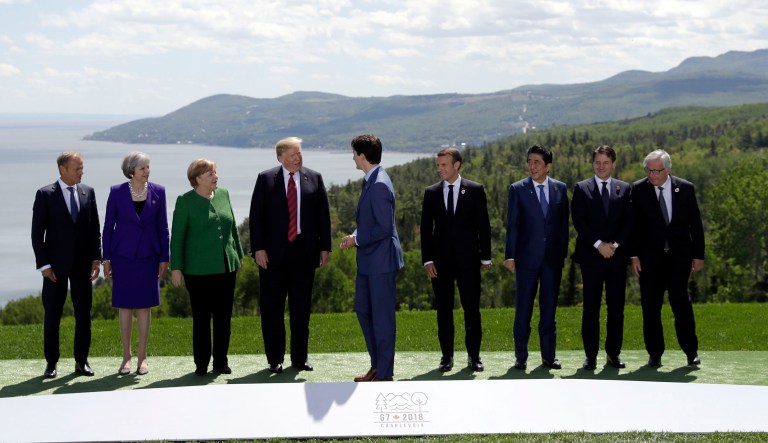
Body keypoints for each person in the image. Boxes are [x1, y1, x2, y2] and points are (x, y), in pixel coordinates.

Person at [249, 137, 332, 374]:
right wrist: (258, 249)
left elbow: (323, 217)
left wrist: (324, 247)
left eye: (299, 154)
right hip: (272, 256)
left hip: (304, 255)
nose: (298, 158)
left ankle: (300, 358)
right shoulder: (265, 179)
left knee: (301, 309)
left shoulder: (314, 178)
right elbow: (256, 218)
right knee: (272, 308)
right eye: (293, 155)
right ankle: (275, 359)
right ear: (280, 158)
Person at [630, 149, 704, 368]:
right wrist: (633, 255)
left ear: (668, 169)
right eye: (649, 170)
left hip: (679, 259)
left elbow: (696, 225)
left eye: (657, 171)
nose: (652, 175)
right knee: (650, 308)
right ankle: (655, 354)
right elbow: (633, 227)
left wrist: (698, 255)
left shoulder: (686, 188)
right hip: (649, 260)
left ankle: (691, 352)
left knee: (681, 305)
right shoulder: (639, 189)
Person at [420, 147, 491, 372]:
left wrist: (486, 257)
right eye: (438, 165)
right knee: (443, 311)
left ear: (456, 165)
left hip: (469, 262)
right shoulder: (431, 193)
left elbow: (484, 227)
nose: (439, 169)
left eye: (444, 165)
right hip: (440, 264)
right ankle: (446, 357)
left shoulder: (475, 190)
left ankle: (474, 357)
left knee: (472, 311)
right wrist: (427, 260)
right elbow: (425, 230)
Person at [170, 159, 245, 375]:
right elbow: (178, 238)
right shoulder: (185, 201)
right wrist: (177, 268)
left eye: (215, 172)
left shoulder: (223, 194)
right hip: (198, 271)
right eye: (210, 174)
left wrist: (238, 255)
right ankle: (201, 363)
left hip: (226, 267)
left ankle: (220, 362)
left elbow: (232, 230)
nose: (215, 177)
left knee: (224, 318)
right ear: (197, 179)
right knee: (202, 319)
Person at [31, 151, 102, 378]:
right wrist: (44, 266)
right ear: (63, 169)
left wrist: (96, 259)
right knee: (52, 315)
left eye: (82, 168)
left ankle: (82, 362)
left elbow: (94, 230)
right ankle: (51, 364)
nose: (82, 172)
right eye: (77, 168)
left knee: (84, 315)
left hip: (82, 266)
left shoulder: (88, 192)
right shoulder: (44, 195)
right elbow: (36, 235)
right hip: (54, 268)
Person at [340, 134, 404, 382]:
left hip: (381, 263)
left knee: (382, 320)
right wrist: (355, 234)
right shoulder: (372, 179)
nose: (353, 157)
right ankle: (377, 366)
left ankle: (384, 373)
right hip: (369, 261)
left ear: (362, 156)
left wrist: (357, 240)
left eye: (354, 153)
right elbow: (370, 223)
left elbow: (384, 228)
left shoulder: (378, 185)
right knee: (364, 310)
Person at [102, 151, 170, 376]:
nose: (147, 171)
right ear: (131, 170)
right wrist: (107, 258)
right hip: (123, 257)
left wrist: (164, 257)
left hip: (149, 257)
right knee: (125, 306)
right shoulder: (116, 192)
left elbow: (163, 228)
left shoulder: (159, 191)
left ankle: (143, 358)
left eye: (148, 167)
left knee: (144, 307)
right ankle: (126, 358)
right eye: (143, 168)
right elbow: (108, 227)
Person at [504, 144, 569, 370]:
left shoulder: (561, 189)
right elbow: (512, 226)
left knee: (549, 310)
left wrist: (562, 255)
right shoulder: (518, 189)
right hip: (526, 260)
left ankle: (549, 357)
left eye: (537, 162)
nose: (532, 166)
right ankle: (521, 357)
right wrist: (509, 256)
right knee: (523, 310)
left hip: (552, 261)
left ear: (548, 166)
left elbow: (563, 227)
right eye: (530, 162)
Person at [571, 145, 633, 370]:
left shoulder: (624, 189)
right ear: (593, 163)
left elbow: (629, 222)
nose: (601, 166)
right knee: (591, 308)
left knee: (616, 308)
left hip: (616, 258)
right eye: (597, 162)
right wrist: (599, 245)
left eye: (606, 162)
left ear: (613, 163)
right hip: (591, 257)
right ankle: (591, 356)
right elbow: (580, 222)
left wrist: (613, 245)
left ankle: (613, 354)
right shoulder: (582, 188)